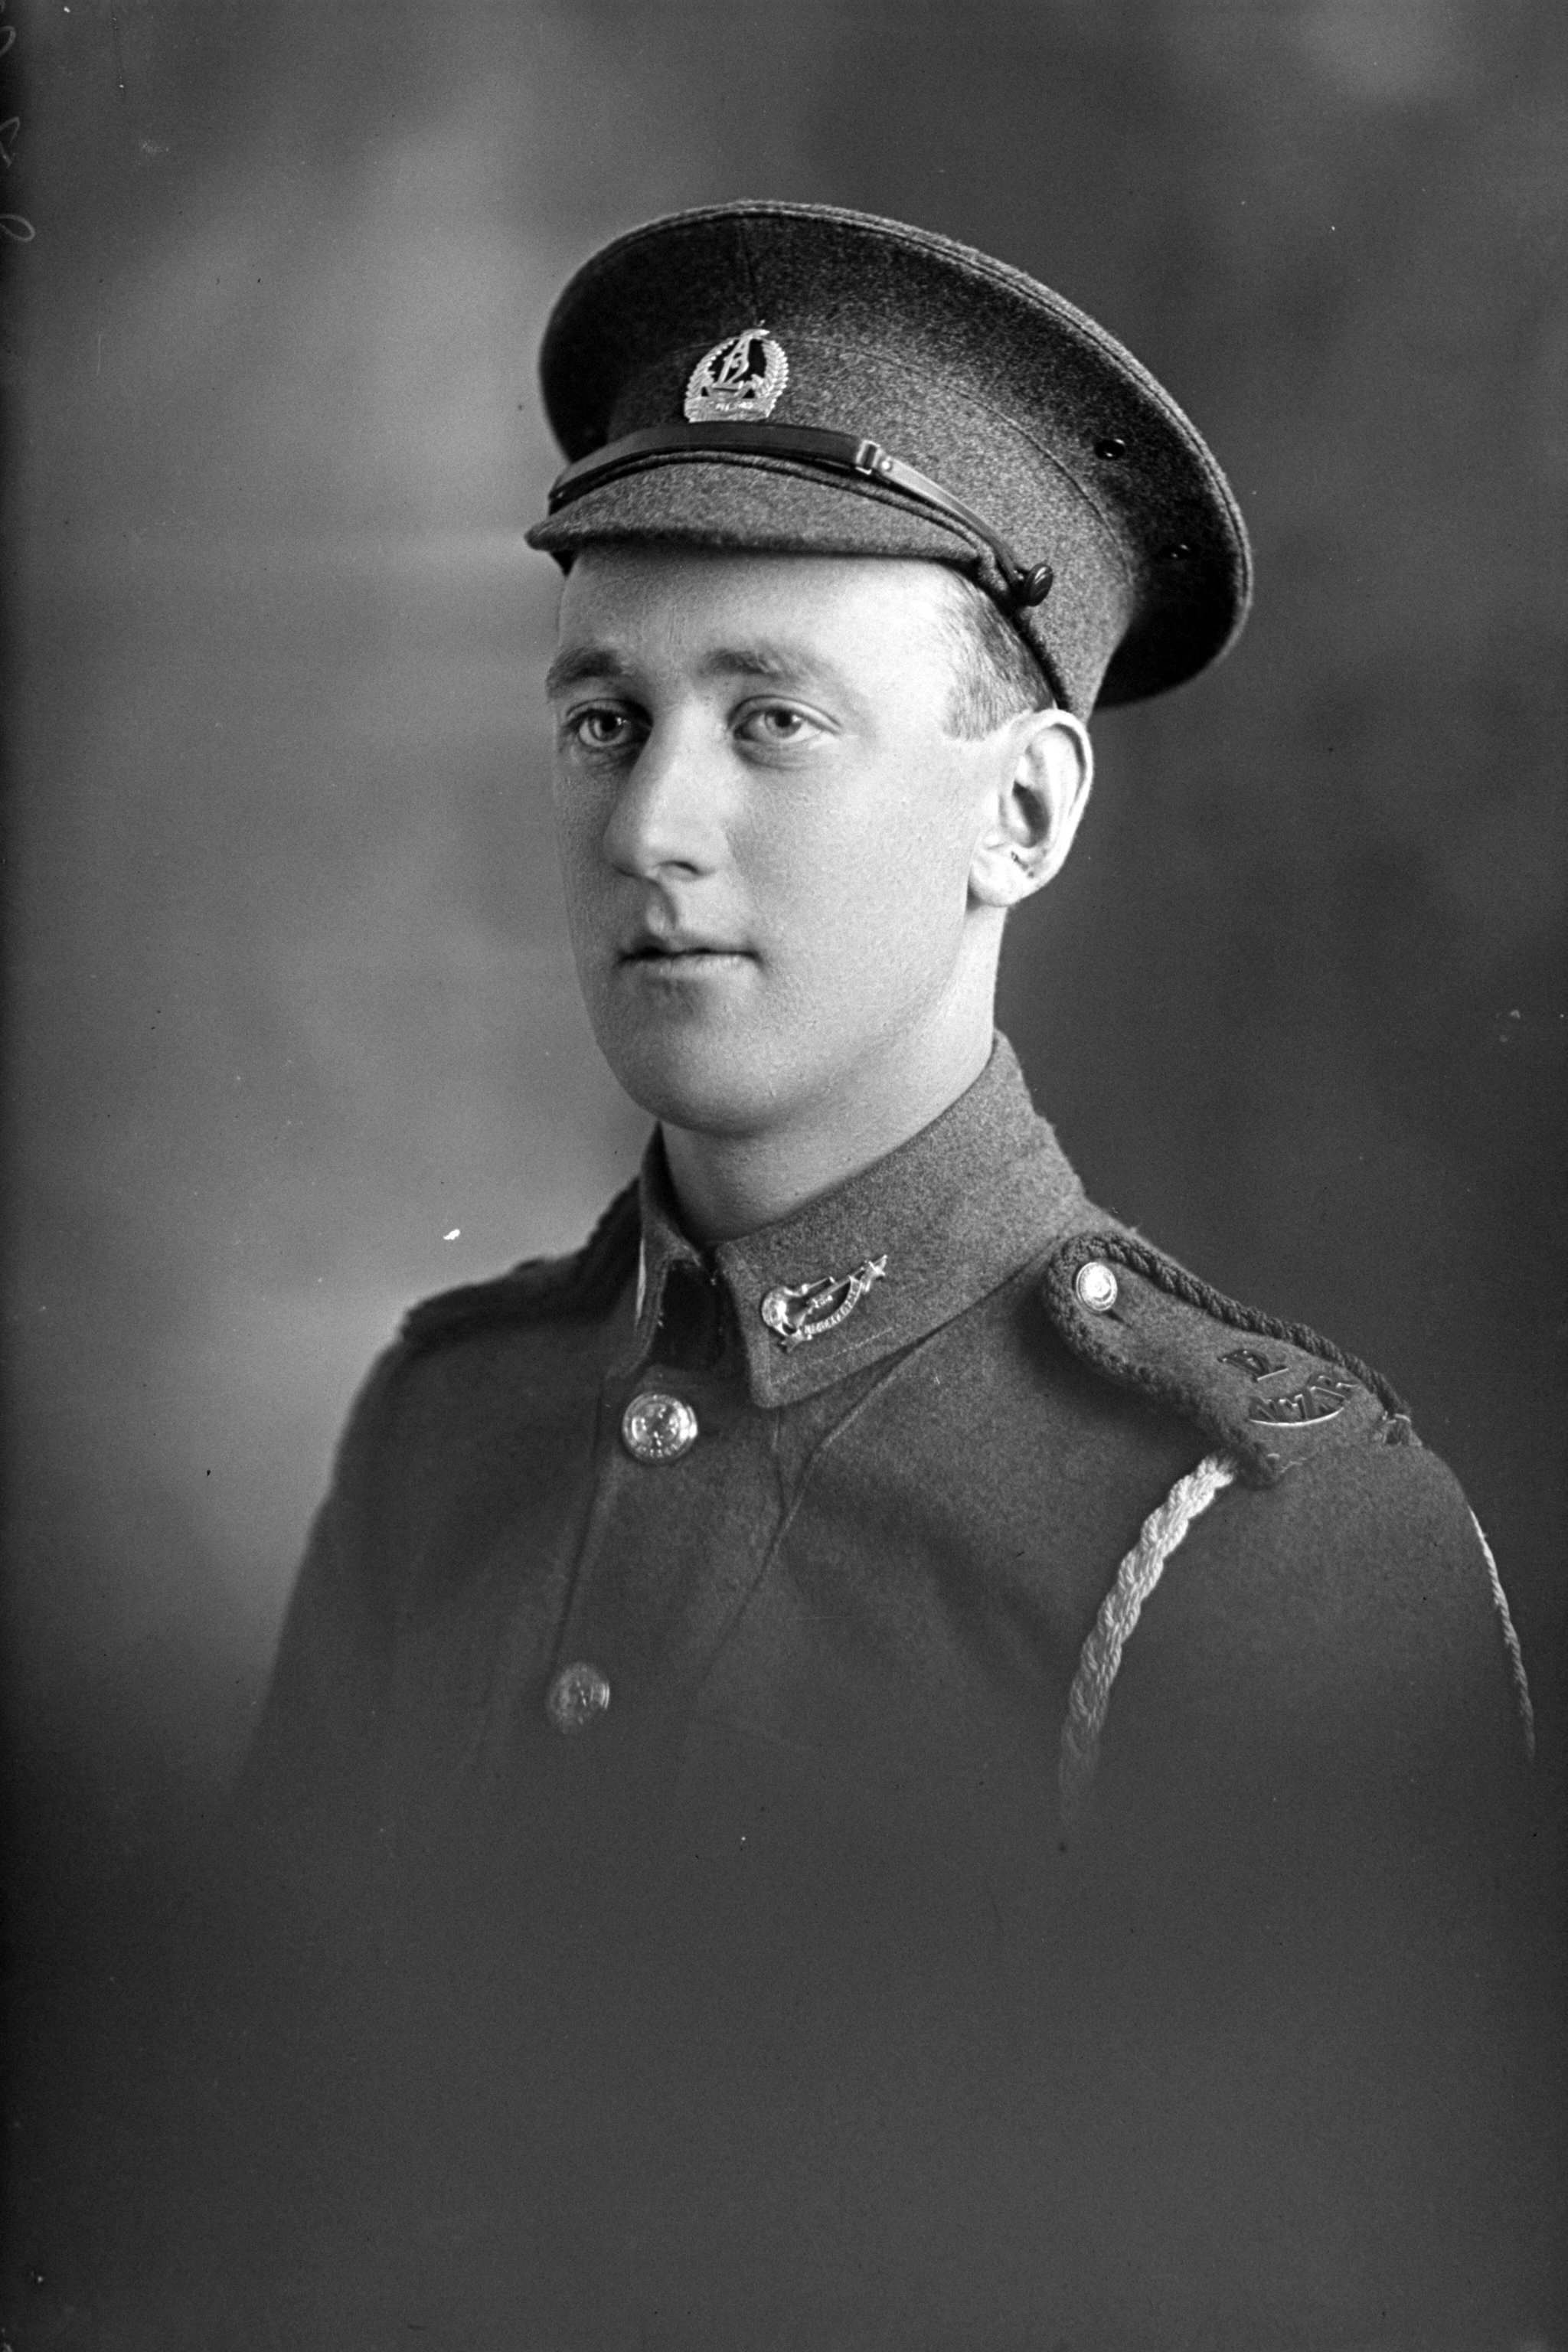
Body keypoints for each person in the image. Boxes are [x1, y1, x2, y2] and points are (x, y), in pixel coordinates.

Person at [152, 202, 1547, 2349]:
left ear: (1027, 813)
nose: (650, 827)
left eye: (774, 721)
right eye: (604, 721)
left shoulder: (1254, 1545)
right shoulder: (448, 1431)